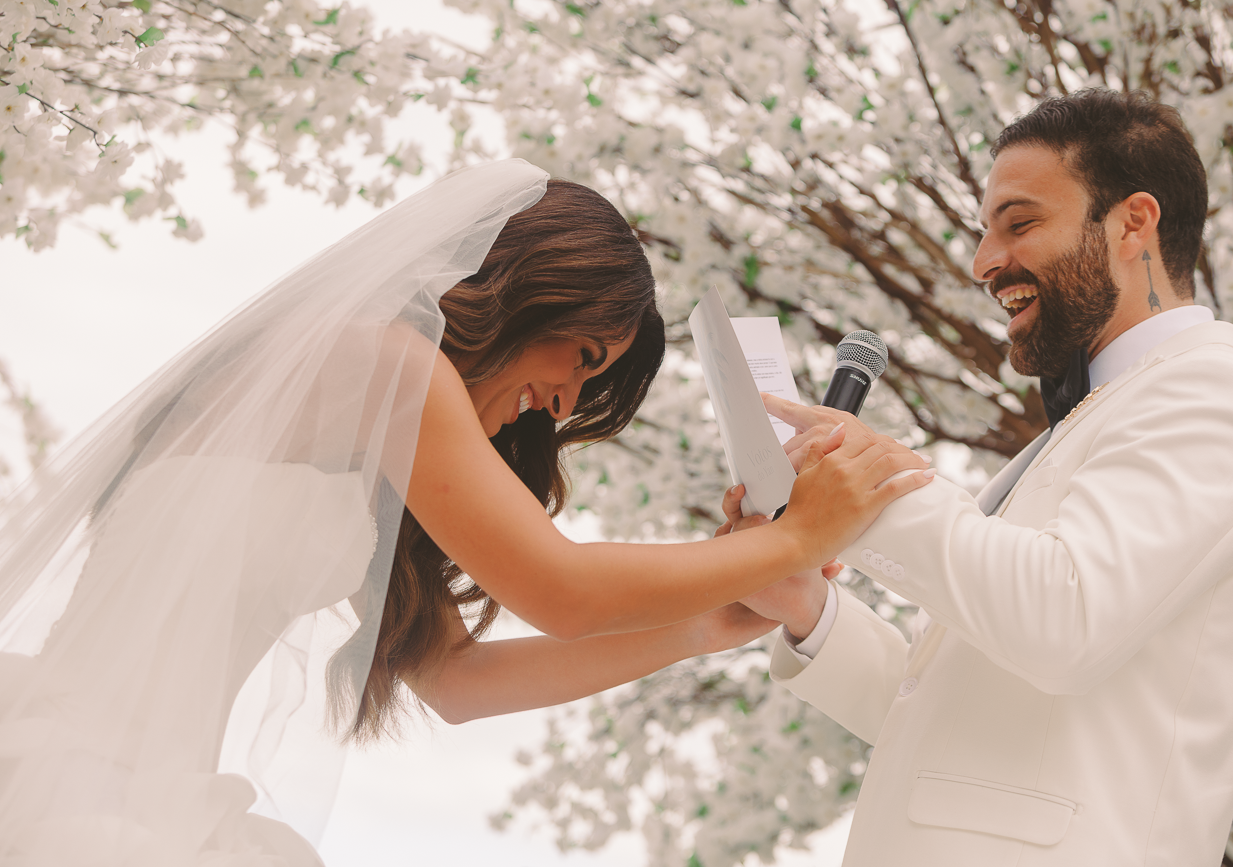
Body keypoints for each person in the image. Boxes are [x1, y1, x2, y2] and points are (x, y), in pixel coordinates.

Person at [0, 158, 931, 865]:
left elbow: (455, 680)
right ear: (534, 288)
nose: (566, 403)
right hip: (79, 780)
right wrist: (802, 535)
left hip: (158, 794)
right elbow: (562, 587)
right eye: (586, 357)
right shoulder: (385, 363)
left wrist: (707, 623)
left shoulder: (376, 435)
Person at [730, 89, 1233, 865]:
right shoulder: (1089, 419)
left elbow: (1062, 622)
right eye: (985, 231)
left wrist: (862, 487)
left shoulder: (1214, 396)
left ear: (1134, 223)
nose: (983, 262)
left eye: (1020, 223)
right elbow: (948, 702)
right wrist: (809, 610)